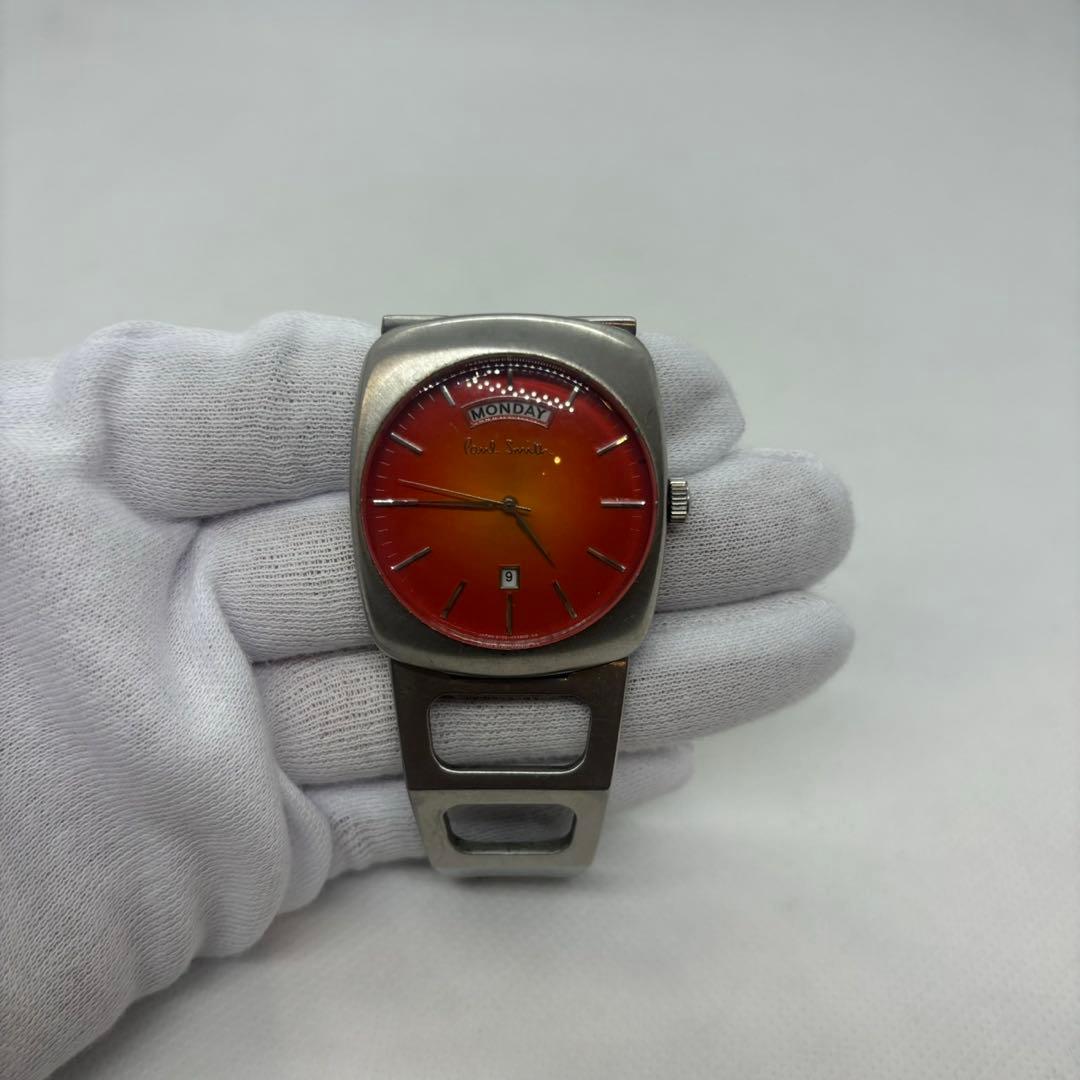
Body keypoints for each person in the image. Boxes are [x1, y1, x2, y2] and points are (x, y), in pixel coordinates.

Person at [0, 312, 853, 1078]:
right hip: (455, 615)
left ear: (667, 505)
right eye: (503, 500)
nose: (514, 503)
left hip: (555, 614)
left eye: (521, 500)